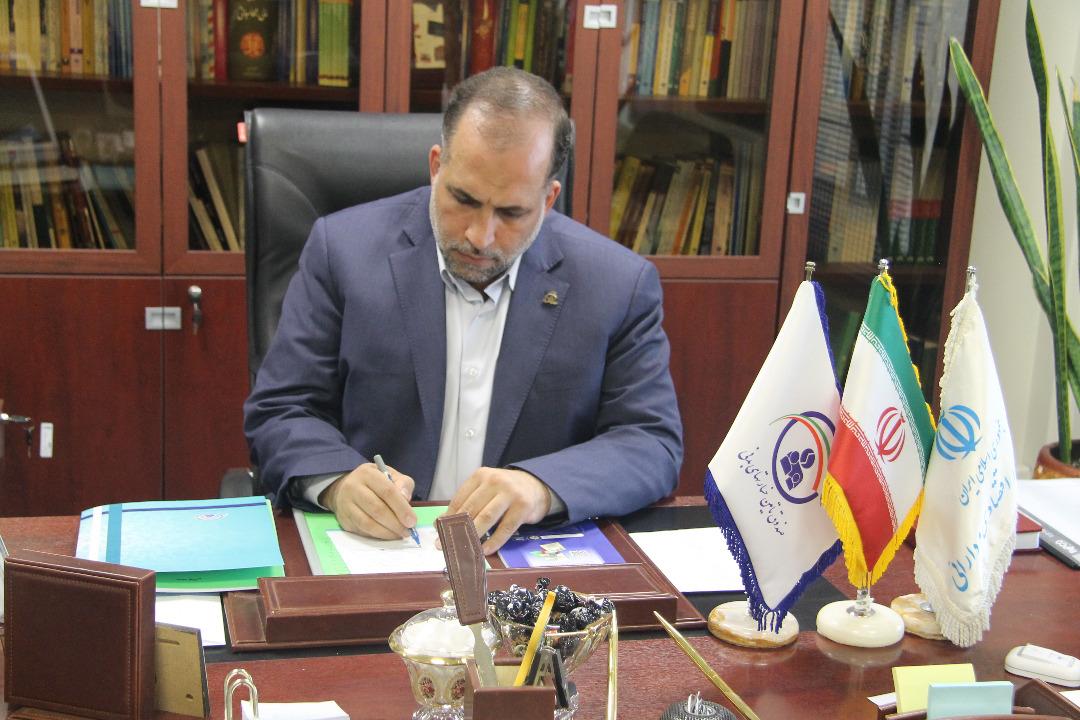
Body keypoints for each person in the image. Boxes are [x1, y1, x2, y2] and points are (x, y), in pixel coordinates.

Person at [243, 67, 682, 554]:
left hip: (527, 562)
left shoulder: (616, 284)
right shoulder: (342, 251)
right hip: (376, 551)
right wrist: (338, 482)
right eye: (463, 199)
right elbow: (282, 409)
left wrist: (541, 487)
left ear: (548, 199)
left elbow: (650, 442)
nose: (480, 236)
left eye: (511, 212)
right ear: (436, 167)